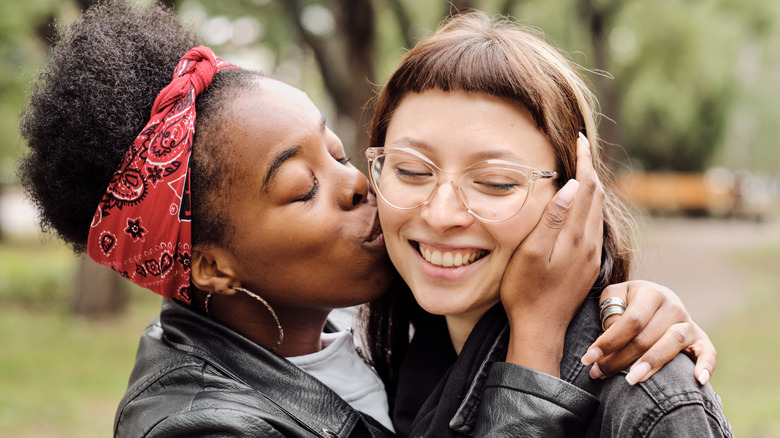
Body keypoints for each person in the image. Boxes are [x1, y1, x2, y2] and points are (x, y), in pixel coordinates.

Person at [18, 1, 719, 436]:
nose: (359, 187)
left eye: (339, 153)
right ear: (212, 266)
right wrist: (536, 343)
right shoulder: (198, 425)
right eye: (304, 188)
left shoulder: (378, 335)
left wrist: (626, 298)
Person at [364, 11, 733, 437]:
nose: (441, 214)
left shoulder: (645, 399)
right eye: (411, 171)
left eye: (494, 182)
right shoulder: (392, 365)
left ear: (577, 197)